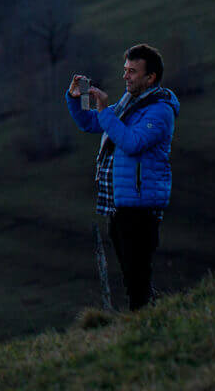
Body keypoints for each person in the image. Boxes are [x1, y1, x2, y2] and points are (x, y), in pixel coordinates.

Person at [67, 43, 177, 311]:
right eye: (125, 70)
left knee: (137, 274)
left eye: (132, 71)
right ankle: (146, 322)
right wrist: (77, 97)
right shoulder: (129, 104)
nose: (125, 76)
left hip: (141, 205)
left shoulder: (159, 111)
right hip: (120, 204)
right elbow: (91, 123)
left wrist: (104, 110)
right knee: (131, 275)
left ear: (150, 78)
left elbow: (132, 142)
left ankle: (145, 325)